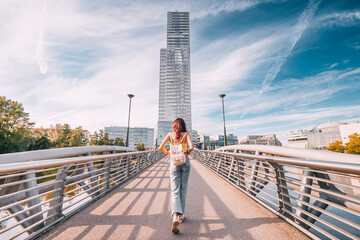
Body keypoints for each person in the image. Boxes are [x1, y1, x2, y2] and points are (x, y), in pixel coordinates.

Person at [159, 118, 194, 234]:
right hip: (185, 162)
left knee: (175, 190)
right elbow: (192, 147)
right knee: (183, 190)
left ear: (174, 126)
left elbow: (161, 147)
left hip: (174, 162)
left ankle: (175, 215)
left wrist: (169, 153)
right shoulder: (186, 135)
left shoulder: (170, 135)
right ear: (183, 126)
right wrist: (186, 152)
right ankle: (181, 216)